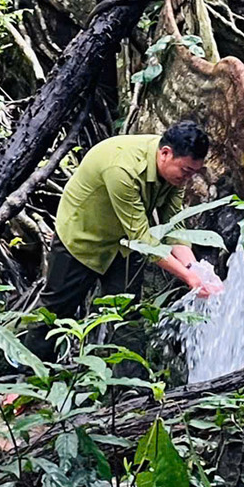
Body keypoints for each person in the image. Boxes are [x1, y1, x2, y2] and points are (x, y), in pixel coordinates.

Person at [43, 120, 224, 330]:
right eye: (185, 171)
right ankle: (28, 362)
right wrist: (188, 277)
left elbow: (174, 226)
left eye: (193, 173)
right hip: (83, 241)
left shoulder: (176, 175)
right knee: (53, 314)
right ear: (165, 153)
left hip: (126, 246)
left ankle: (110, 362)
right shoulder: (122, 169)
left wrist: (196, 270)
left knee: (125, 318)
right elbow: (142, 239)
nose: (188, 178)